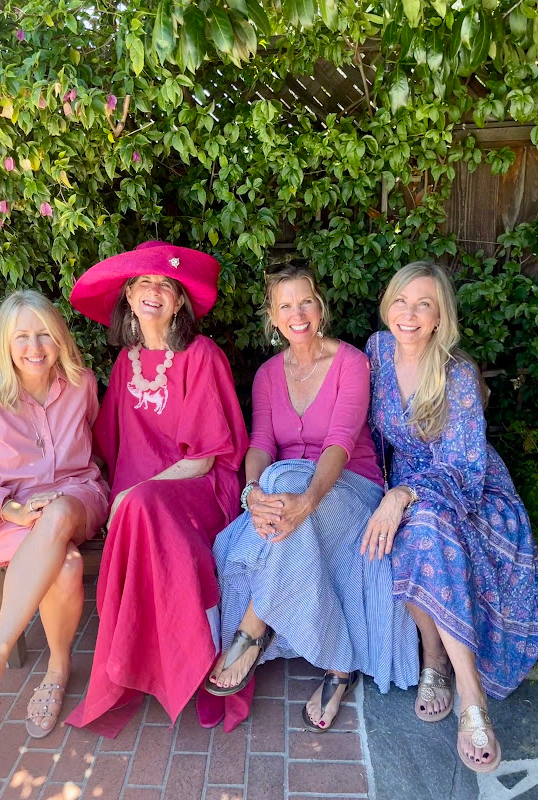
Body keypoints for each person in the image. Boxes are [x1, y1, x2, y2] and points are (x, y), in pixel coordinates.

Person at [206, 264, 419, 732]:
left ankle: (253, 629)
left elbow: (341, 442)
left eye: (305, 301)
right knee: (276, 489)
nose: (297, 313)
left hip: (348, 489)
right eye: (286, 306)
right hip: (286, 493)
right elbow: (260, 442)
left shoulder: (351, 363)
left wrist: (308, 499)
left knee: (284, 492)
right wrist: (252, 493)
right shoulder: (265, 375)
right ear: (273, 317)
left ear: (320, 306)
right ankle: (340, 665)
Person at [65, 241, 248, 736]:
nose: (154, 292)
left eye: (165, 285)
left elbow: (206, 456)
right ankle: (186, 670)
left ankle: (201, 670)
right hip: (140, 498)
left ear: (180, 302)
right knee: (141, 515)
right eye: (144, 283)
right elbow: (106, 440)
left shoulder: (201, 354)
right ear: (128, 295)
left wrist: (136, 493)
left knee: (143, 511)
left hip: (201, 485)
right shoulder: (125, 363)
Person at [362, 261, 538, 773]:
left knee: (423, 528)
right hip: (403, 485)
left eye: (424, 304)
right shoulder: (375, 352)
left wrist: (401, 497)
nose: (409, 314)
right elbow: (364, 432)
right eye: (400, 300)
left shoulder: (456, 373)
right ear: (387, 305)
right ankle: (438, 665)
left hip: (467, 486)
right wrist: (379, 489)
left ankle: (466, 694)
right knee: (412, 530)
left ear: (440, 317)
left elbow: (463, 467)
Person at [0, 290, 109, 755]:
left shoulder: (82, 384)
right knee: (63, 565)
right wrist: (12, 509)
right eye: (22, 336)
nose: (34, 346)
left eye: (44, 333)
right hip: (12, 514)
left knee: (59, 512)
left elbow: (98, 446)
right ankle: (58, 669)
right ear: (5, 342)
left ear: (60, 338)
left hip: (78, 496)